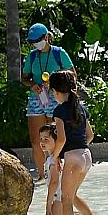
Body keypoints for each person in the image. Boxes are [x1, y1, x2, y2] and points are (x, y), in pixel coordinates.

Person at [22, 22, 75, 182]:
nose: (35, 44)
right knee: (37, 139)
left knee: (54, 136)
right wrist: (32, 84)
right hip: (37, 97)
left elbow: (72, 74)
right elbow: (24, 78)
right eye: (32, 42)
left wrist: (54, 82)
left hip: (56, 97)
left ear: (46, 37)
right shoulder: (32, 56)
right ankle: (42, 174)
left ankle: (56, 171)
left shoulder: (59, 53)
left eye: (38, 39)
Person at [48, 71, 97, 215]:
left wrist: (55, 157)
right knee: (72, 195)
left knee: (65, 199)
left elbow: (61, 139)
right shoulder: (82, 108)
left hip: (73, 158)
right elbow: (90, 135)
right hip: (86, 157)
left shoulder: (59, 111)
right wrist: (79, 149)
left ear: (55, 91)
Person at [38, 122, 63, 215]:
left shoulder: (53, 161)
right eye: (41, 139)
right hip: (58, 196)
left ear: (57, 141)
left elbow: (54, 182)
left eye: (46, 139)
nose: (42, 142)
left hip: (59, 198)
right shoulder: (52, 158)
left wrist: (48, 204)